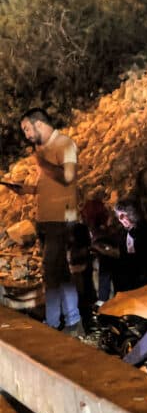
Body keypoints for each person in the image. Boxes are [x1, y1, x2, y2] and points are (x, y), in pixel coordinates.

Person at [13, 109, 83, 335]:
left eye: (27, 129)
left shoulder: (65, 144)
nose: (26, 135)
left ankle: (55, 323)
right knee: (59, 273)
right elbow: (50, 185)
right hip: (47, 220)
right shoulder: (44, 150)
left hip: (61, 219)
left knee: (51, 271)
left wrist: (42, 164)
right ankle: (72, 322)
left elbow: (68, 177)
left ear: (39, 124)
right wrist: (29, 190)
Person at [106, 198, 147, 294]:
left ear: (132, 214)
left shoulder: (145, 232)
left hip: (145, 282)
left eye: (123, 215)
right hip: (134, 279)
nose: (120, 219)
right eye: (119, 216)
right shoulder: (127, 232)